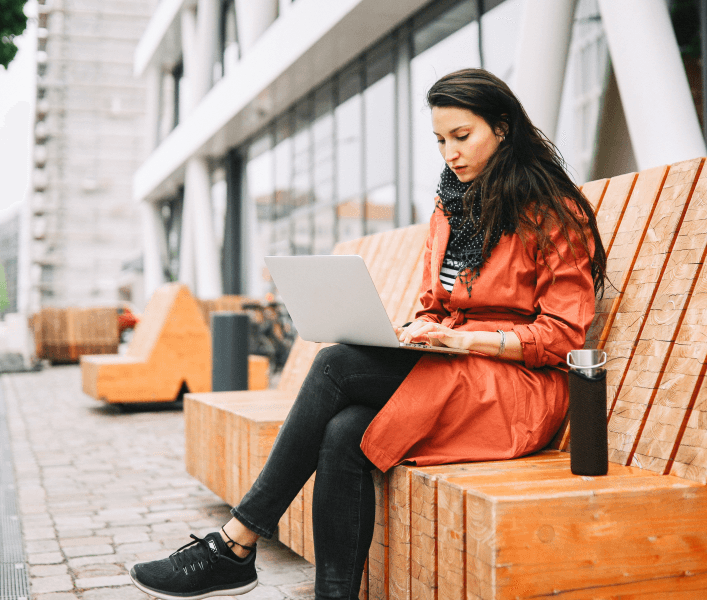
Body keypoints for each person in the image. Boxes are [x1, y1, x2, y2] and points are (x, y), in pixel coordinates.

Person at [129, 68, 607, 600]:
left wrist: (465, 341)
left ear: (503, 128)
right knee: (344, 433)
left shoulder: (553, 213)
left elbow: (565, 337)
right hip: (456, 371)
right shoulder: (451, 208)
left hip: (517, 389)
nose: (450, 152)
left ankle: (236, 544)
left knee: (335, 363)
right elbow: (435, 305)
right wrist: (414, 331)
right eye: (440, 140)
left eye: (462, 136)